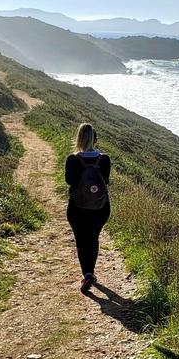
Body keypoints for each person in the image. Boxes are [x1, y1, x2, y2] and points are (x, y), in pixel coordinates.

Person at [65, 122, 112, 291]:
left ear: (78, 137)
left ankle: (87, 274)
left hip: (77, 208)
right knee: (93, 238)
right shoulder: (104, 159)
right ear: (94, 138)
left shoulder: (73, 159)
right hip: (100, 208)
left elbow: (70, 181)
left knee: (81, 241)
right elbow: (106, 181)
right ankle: (90, 272)